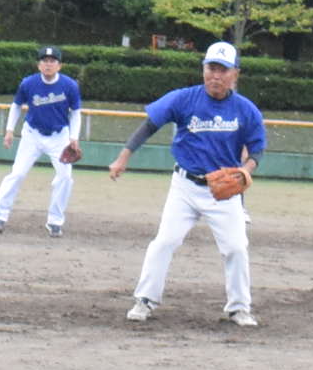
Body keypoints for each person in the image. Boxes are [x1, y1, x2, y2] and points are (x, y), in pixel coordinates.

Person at [108, 39, 268, 327]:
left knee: (235, 247)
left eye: (223, 69)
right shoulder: (184, 98)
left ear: (235, 74)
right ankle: (144, 300)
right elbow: (149, 125)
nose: (215, 75)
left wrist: (246, 170)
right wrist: (123, 157)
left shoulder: (246, 110)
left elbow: (256, 149)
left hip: (224, 191)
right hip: (185, 186)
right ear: (203, 69)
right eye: (211, 68)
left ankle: (239, 308)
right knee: (164, 242)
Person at [0, 44, 83, 236]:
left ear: (59, 65)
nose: (48, 64)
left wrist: (74, 137)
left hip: (59, 137)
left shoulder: (69, 85)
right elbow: (16, 106)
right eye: (44, 61)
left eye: (52, 61)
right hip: (32, 135)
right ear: (39, 65)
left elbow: (76, 113)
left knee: (65, 178)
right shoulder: (29, 83)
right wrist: (9, 130)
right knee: (17, 174)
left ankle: (55, 222)